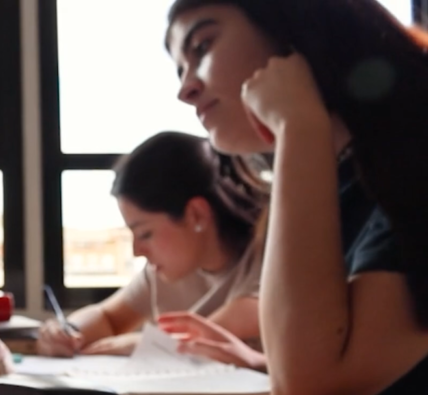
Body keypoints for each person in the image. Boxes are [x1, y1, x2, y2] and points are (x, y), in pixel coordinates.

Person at [166, 0, 428, 395]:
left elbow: (308, 390)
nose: (185, 89)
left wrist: (298, 124)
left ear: (293, 22)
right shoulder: (348, 171)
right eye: (178, 68)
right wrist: (262, 362)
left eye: (202, 47)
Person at [36, 131, 267, 365]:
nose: (137, 251)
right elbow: (107, 317)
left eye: (145, 233)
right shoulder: (168, 270)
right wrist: (68, 331)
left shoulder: (267, 259)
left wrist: (140, 345)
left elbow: (207, 337)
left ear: (196, 215)